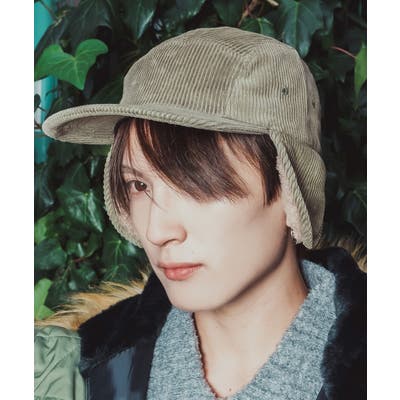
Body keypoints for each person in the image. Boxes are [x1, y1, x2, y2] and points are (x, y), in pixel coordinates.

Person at [35, 26, 366, 400]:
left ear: (291, 191)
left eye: (197, 185)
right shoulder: (64, 376)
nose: (157, 231)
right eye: (139, 185)